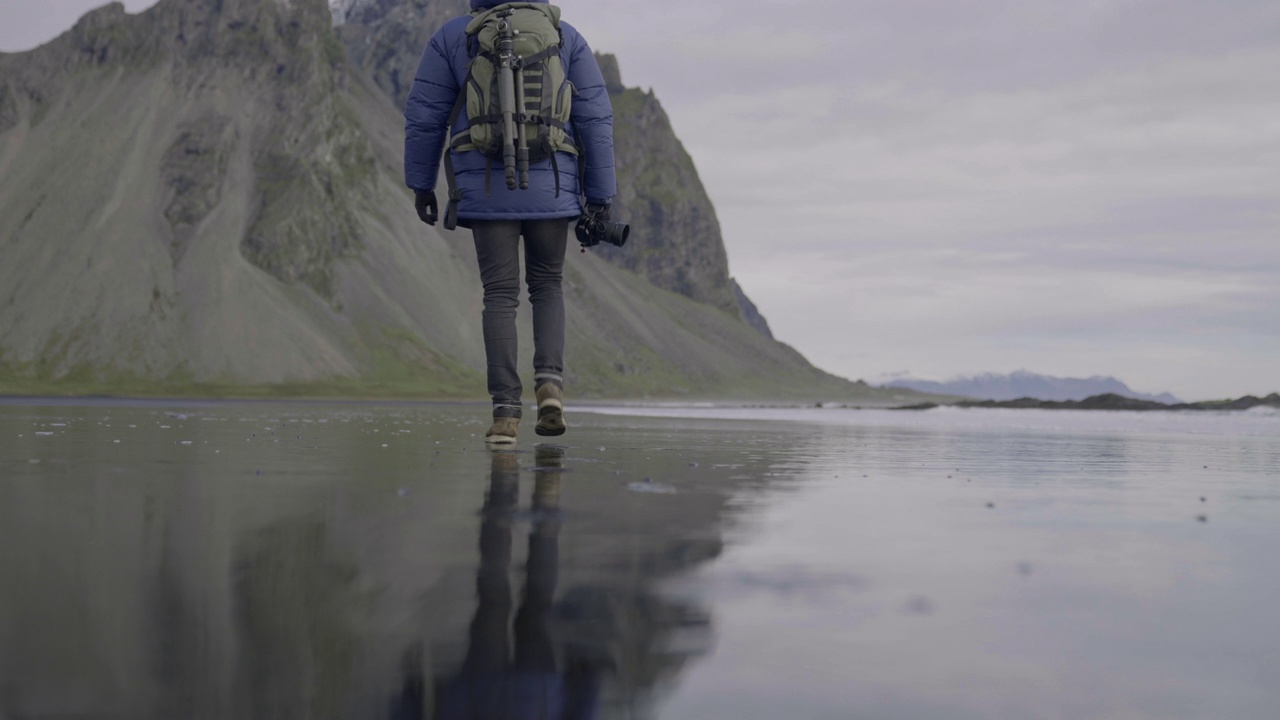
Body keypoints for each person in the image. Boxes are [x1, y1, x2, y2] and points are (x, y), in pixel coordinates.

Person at [404, 0, 617, 444]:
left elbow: (425, 118)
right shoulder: (564, 36)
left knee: (500, 295)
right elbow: (594, 118)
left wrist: (421, 185)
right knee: (547, 284)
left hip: (484, 185)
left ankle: (505, 416)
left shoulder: (452, 37)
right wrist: (599, 197)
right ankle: (550, 386)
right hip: (553, 185)